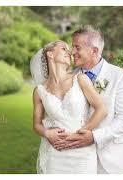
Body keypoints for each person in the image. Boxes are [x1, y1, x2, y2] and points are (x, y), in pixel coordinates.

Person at [53, 25, 123, 174]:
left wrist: (94, 137)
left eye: (77, 47)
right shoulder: (69, 77)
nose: (72, 52)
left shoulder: (122, 76)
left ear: (94, 50)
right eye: (72, 47)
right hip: (76, 158)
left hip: (112, 160)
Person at [31, 40, 107, 173]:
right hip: (55, 154)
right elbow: (36, 125)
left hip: (81, 152)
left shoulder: (80, 79)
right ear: (50, 54)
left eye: (68, 49)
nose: (69, 52)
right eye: (63, 49)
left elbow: (102, 109)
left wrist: (80, 134)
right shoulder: (39, 91)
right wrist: (47, 132)